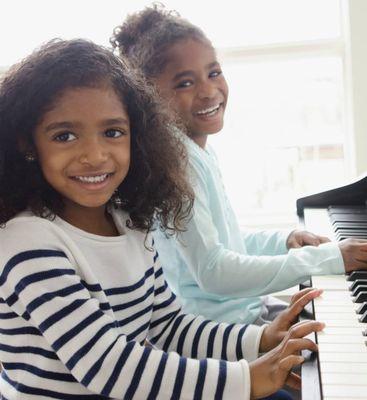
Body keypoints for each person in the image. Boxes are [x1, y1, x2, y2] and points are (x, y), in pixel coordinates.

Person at [0, 38, 323, 400]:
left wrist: (258, 339)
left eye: (113, 132)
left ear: (137, 137)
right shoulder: (27, 240)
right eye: (65, 135)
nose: (94, 154)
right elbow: (108, 365)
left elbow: (166, 326)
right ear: (27, 144)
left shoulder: (130, 223)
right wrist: (246, 379)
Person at [111, 4, 367, 325]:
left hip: (244, 311)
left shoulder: (194, 151)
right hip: (219, 332)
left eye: (213, 73)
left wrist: (283, 241)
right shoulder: (177, 165)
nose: (208, 91)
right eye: (184, 83)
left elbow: (221, 241)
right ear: (148, 96)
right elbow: (214, 272)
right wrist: (327, 258)